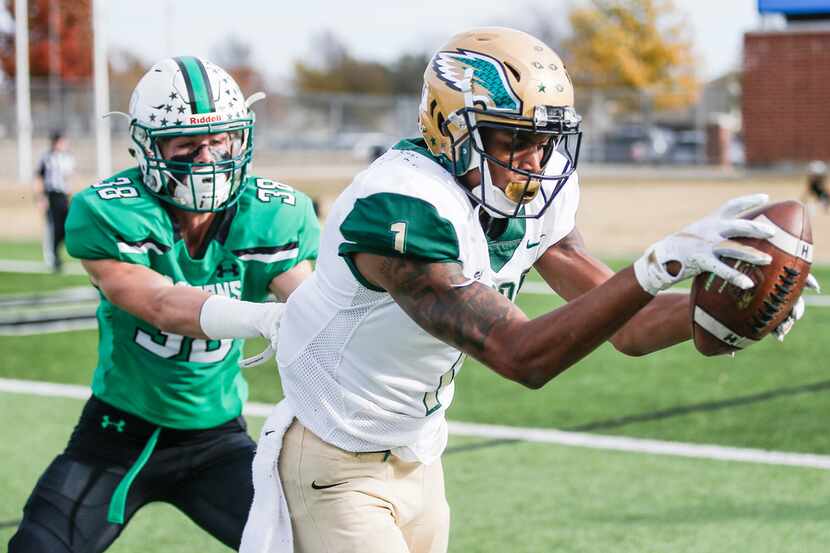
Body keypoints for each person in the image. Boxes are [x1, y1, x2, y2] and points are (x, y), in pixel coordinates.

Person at [239, 27, 817, 553]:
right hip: (336, 459)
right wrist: (659, 265)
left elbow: (628, 328)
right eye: (513, 139)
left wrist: (724, 307)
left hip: (418, 455)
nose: (535, 159)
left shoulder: (526, 195)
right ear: (451, 127)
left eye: (544, 140)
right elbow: (521, 355)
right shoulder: (401, 206)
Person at [9, 56, 320, 553]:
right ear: (148, 147)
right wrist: (260, 316)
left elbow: (309, 301)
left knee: (304, 546)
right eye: (188, 145)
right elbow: (158, 302)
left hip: (216, 438)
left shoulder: (270, 215)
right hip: (118, 435)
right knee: (39, 549)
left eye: (221, 140)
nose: (209, 157)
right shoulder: (111, 211)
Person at [36, 130, 75, 272]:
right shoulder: (46, 157)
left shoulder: (68, 158)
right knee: (53, 227)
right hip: (51, 195)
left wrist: (70, 197)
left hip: (63, 196)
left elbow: (69, 179)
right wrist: (40, 197)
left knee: (65, 227)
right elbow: (39, 177)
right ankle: (51, 257)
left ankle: (56, 255)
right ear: (55, 142)